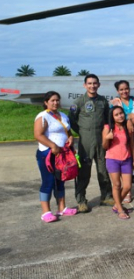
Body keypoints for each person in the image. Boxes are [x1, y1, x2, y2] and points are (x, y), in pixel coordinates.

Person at [69, 74, 112, 213]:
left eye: (95, 83)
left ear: (98, 85)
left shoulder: (103, 101)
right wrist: (81, 131)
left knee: (103, 169)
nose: (92, 86)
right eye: (89, 83)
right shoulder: (79, 102)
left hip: (100, 139)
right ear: (85, 85)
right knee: (84, 172)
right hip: (85, 141)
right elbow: (71, 121)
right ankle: (81, 200)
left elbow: (107, 119)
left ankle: (106, 196)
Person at [34, 91, 78, 223]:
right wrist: (52, 146)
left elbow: (68, 132)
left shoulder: (63, 116)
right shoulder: (43, 116)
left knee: (60, 180)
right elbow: (38, 135)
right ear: (46, 102)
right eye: (52, 100)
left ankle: (62, 208)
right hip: (47, 154)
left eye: (57, 100)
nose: (55, 103)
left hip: (62, 154)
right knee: (48, 182)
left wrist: (70, 138)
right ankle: (46, 212)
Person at [102, 106, 134, 220]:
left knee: (127, 186)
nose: (120, 116)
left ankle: (117, 205)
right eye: (116, 115)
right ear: (112, 117)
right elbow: (104, 146)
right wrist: (107, 138)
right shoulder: (108, 128)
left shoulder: (128, 126)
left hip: (127, 159)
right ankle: (120, 209)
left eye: (121, 113)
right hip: (112, 159)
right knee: (117, 185)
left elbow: (132, 145)